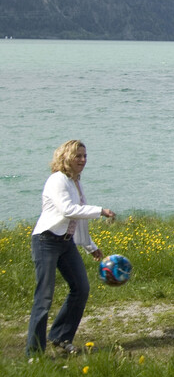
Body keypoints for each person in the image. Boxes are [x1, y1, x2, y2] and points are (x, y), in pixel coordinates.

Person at [26, 140, 116, 358]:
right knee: (44, 297)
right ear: (66, 157)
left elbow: (77, 217)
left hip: (66, 243)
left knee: (81, 288)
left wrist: (90, 246)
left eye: (85, 156)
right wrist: (100, 211)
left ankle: (61, 336)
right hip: (46, 241)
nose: (83, 160)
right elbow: (68, 210)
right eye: (78, 156)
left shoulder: (75, 182)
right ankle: (34, 353)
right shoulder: (57, 180)